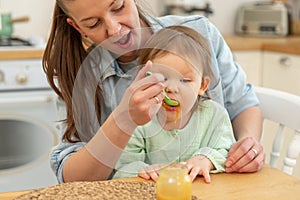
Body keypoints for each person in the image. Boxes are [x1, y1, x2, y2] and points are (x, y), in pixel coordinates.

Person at [43, 0, 264, 183]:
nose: (114, 29)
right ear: (78, 28)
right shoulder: (78, 73)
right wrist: (123, 120)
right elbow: (72, 178)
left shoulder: (198, 33)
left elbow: (242, 104)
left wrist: (246, 148)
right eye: (93, 24)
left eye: (118, 7)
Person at [112, 25, 236, 183]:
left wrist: (206, 159)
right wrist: (143, 170)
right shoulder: (139, 119)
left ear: (202, 86)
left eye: (185, 80)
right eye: (162, 78)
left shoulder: (214, 115)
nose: (171, 88)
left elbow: (227, 151)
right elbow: (123, 167)